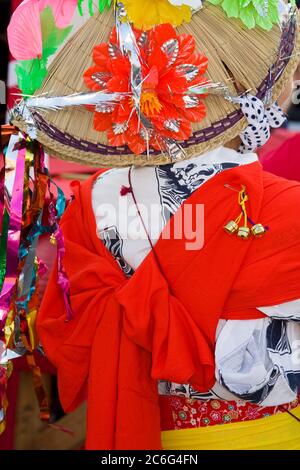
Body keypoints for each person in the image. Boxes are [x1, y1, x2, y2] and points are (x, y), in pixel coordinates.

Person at [9, 0, 300, 450]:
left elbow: (69, 332)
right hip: (268, 434)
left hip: (144, 423)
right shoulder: (285, 207)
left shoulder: (90, 202)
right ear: (244, 92)